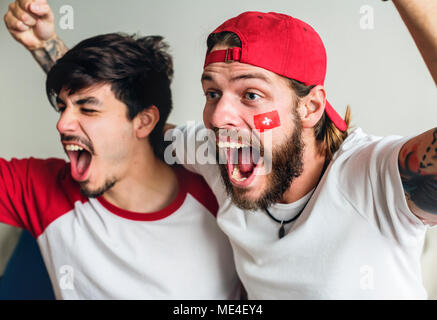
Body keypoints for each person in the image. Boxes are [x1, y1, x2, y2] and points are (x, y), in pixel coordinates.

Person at [2, 0, 239, 299]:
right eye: (62, 107)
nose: (62, 124)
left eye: (87, 109)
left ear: (144, 122)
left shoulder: (219, 193)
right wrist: (45, 45)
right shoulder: (36, 188)